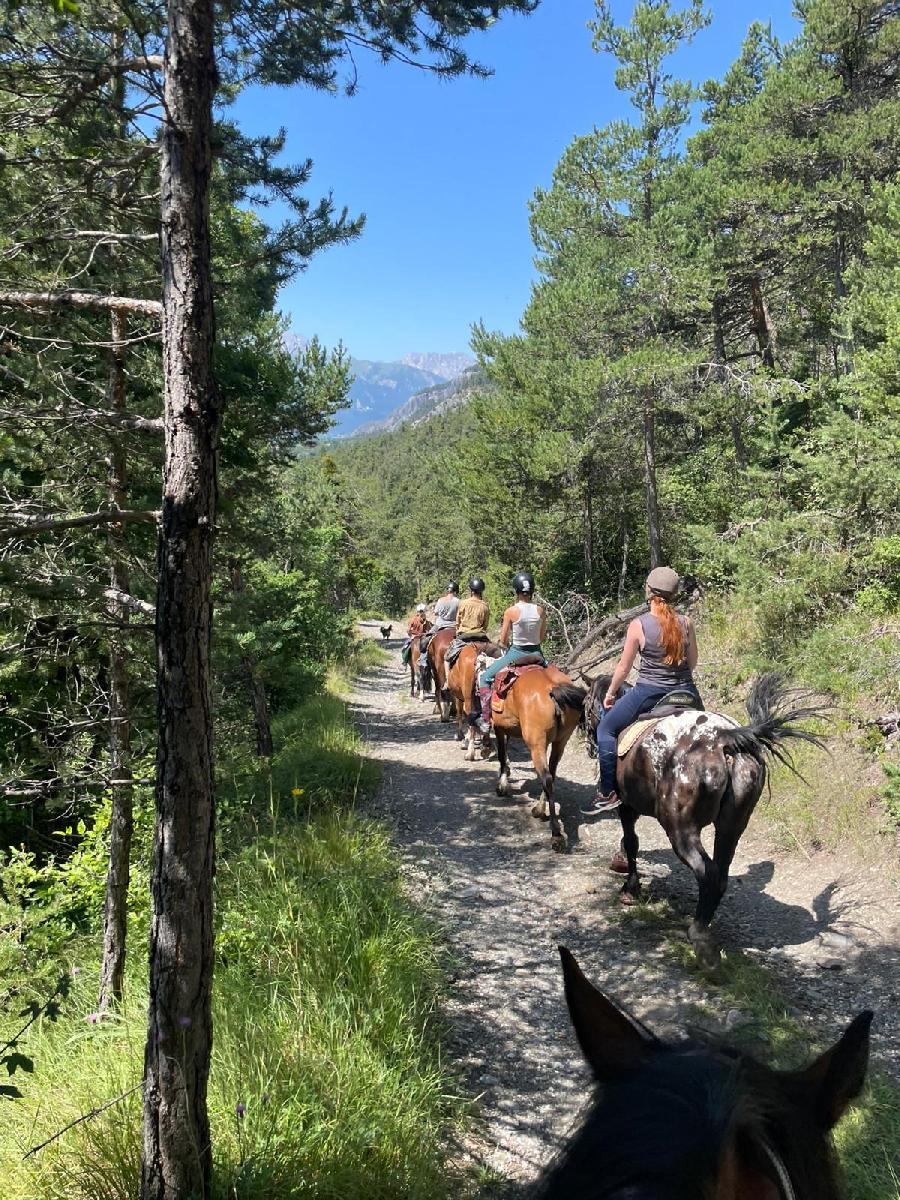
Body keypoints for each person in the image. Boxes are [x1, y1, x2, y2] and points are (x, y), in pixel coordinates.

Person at [580, 566, 701, 816]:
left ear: (649, 592)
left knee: (606, 729)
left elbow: (624, 668)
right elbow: (692, 663)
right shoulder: (686, 622)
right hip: (688, 692)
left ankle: (607, 792)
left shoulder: (639, 625)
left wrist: (611, 692)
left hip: (650, 692)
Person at [476, 571, 545, 732]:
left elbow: (504, 639)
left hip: (516, 653)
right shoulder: (540, 610)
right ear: (532, 590)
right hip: (537, 654)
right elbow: (541, 637)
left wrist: (506, 645)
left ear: (516, 591)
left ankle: (486, 719)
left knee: (485, 678)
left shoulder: (511, 611)